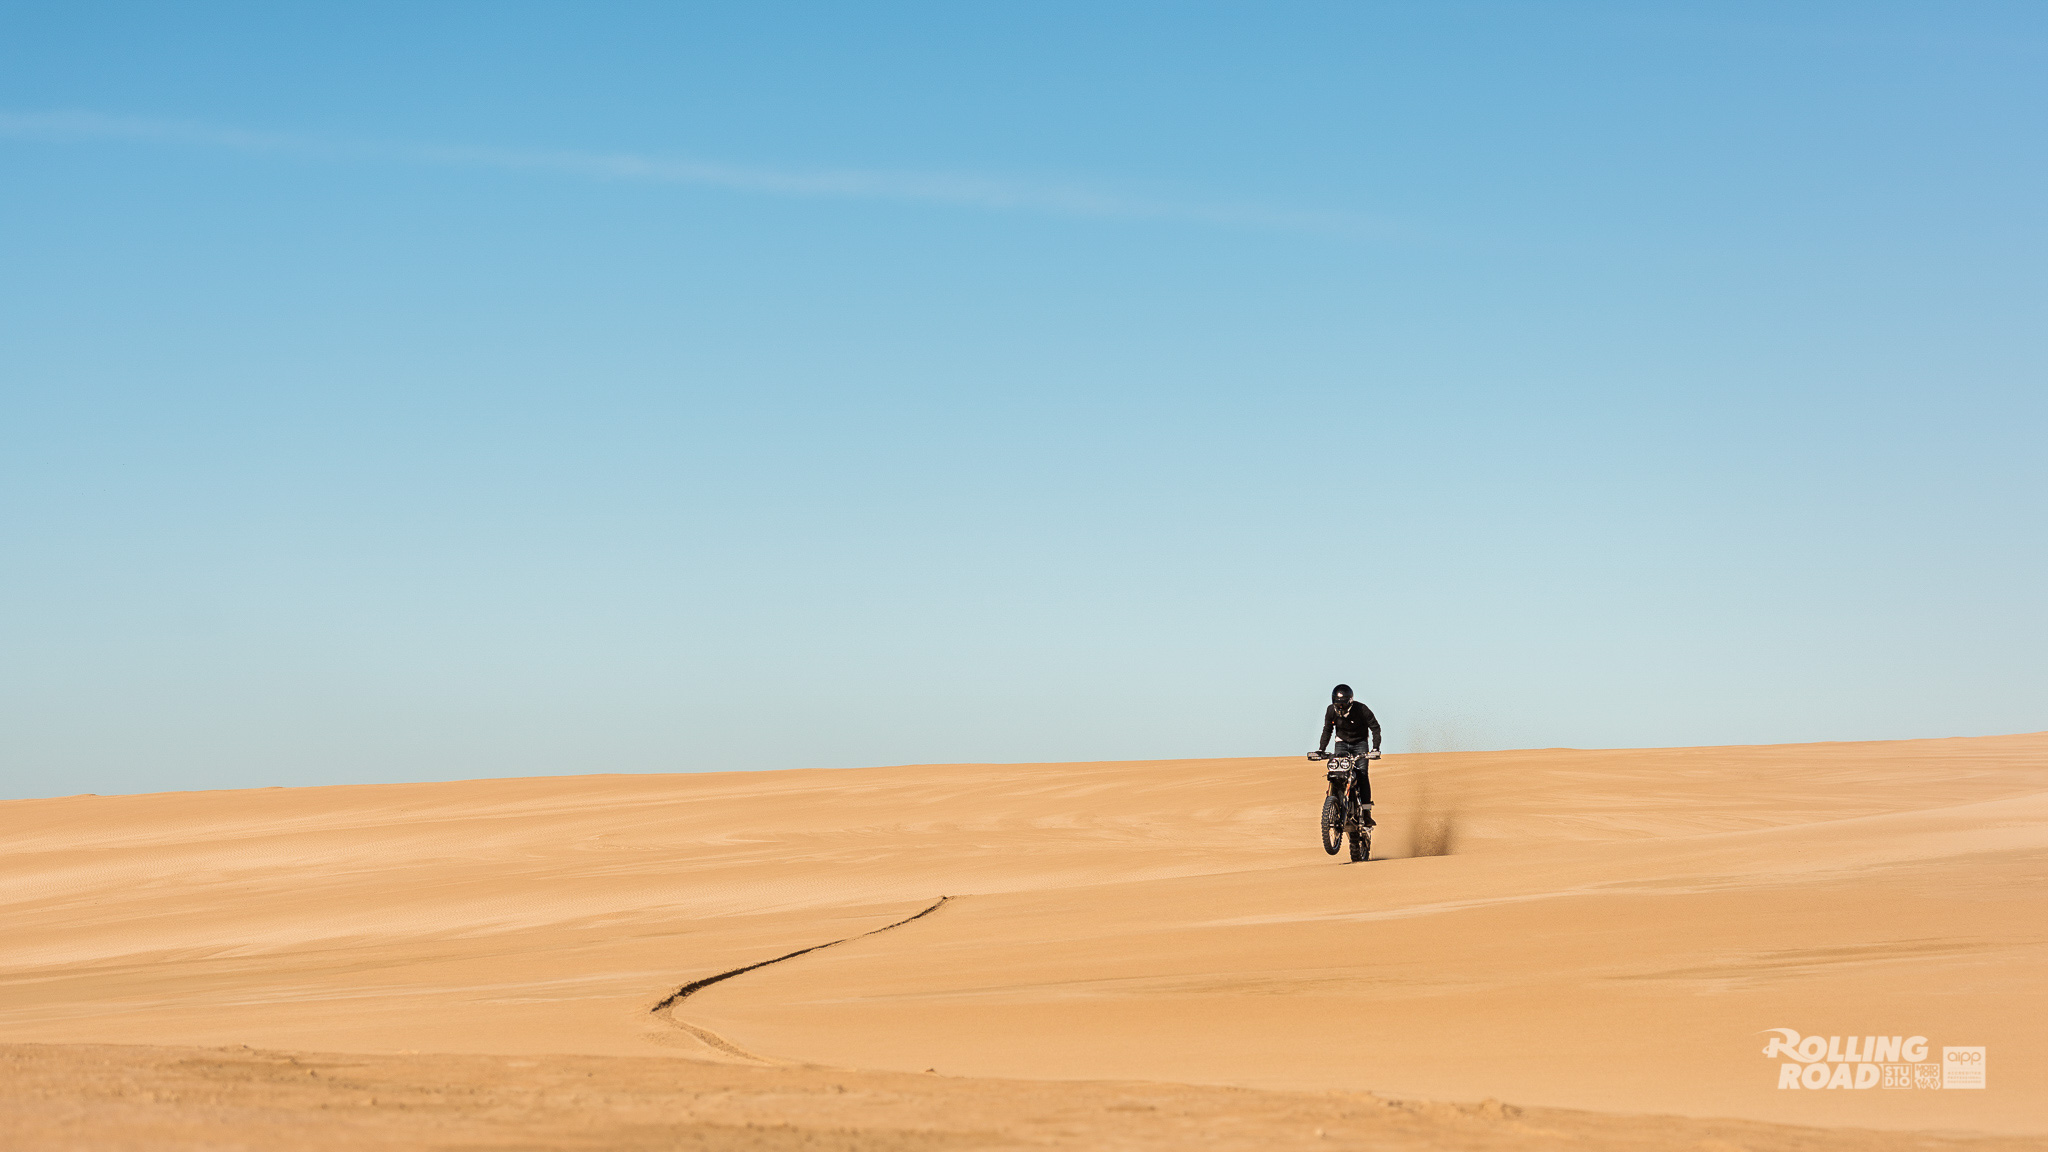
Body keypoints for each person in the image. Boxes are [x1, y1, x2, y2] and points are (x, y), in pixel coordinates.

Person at [1317, 683, 1381, 827]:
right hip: (1341, 743)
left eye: (1342, 705)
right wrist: (1321, 750)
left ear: (1350, 702)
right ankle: (1335, 802)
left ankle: (1366, 813)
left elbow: (1375, 728)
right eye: (1337, 705)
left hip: (1360, 744)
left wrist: (1375, 748)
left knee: (1362, 774)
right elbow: (1327, 730)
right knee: (1337, 772)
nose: (1339, 708)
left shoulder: (1362, 709)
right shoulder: (1330, 711)